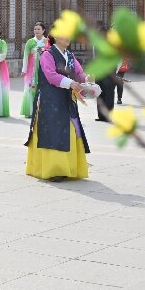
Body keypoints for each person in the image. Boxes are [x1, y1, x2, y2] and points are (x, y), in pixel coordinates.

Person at [25, 31, 91, 181]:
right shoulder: (47, 55)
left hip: (66, 98)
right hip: (50, 99)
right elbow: (50, 75)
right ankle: (54, 169)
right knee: (52, 132)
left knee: (71, 130)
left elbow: (79, 73)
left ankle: (69, 167)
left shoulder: (70, 55)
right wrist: (70, 83)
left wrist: (87, 79)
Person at [20, 22, 47, 118]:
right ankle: (31, 110)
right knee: (31, 87)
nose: (36, 31)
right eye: (35, 29)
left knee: (43, 88)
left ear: (43, 30)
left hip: (44, 69)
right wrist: (24, 69)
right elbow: (25, 56)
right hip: (32, 69)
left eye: (38, 29)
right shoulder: (30, 42)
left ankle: (42, 111)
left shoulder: (47, 42)